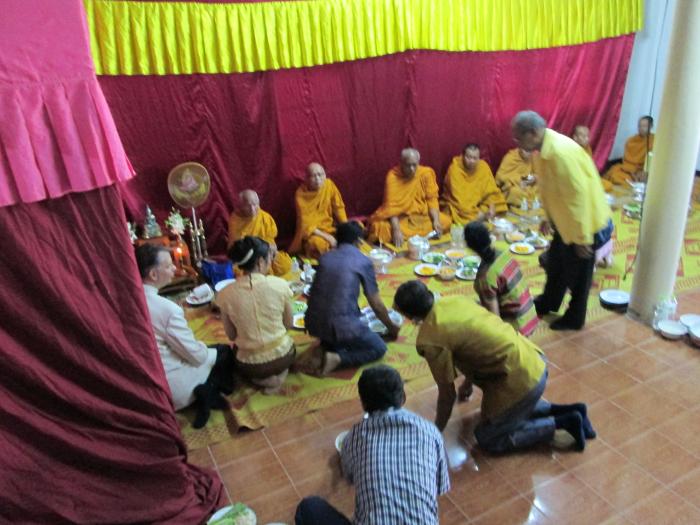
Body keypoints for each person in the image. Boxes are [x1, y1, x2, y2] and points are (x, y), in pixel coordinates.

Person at [393, 280, 596, 454]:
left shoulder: (430, 338)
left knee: (488, 437)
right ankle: (573, 411)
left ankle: (563, 423)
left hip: (519, 380)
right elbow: (476, 344)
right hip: (533, 361)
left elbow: (447, 395)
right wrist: (468, 383)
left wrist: (435, 432)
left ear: (412, 316)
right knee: (512, 415)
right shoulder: (455, 300)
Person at [295, 365, 450, 525]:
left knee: (309, 508)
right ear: (403, 397)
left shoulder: (354, 438)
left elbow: (349, 476)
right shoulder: (430, 431)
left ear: (363, 404)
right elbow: (440, 486)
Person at [512, 110, 612, 330]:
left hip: (585, 223)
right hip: (565, 221)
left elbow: (580, 197)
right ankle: (549, 302)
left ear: (533, 132)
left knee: (580, 275)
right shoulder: (542, 150)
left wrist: (583, 238)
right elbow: (550, 186)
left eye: (519, 137)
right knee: (556, 264)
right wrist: (549, 217)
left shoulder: (560, 152)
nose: (517, 142)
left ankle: (575, 318)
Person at [136, 244, 234, 428]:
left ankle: (205, 391)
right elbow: (196, 356)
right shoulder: (166, 309)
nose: (174, 268)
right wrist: (208, 351)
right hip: (170, 387)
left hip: (142, 384)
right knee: (224, 352)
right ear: (153, 275)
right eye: (168, 265)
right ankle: (207, 393)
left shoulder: (128, 298)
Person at [304, 222, 400, 375]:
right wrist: (391, 326)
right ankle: (338, 359)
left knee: (340, 332)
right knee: (379, 348)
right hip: (341, 325)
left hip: (313, 323)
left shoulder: (325, 258)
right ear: (359, 242)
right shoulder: (363, 261)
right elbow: (376, 304)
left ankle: (327, 347)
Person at [218, 236, 295, 394]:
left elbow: (231, 336)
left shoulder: (224, 295)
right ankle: (279, 377)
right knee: (292, 348)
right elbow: (289, 324)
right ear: (260, 262)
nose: (271, 261)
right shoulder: (280, 285)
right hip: (283, 356)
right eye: (269, 258)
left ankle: (261, 380)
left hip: (249, 366)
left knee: (233, 356)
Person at [464, 221, 539, 337]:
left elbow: (495, 319)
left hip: (517, 330)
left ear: (469, 245)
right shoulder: (503, 254)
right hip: (530, 317)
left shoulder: (485, 278)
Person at [368, 148, 452, 247]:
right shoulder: (393, 176)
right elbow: (391, 208)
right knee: (381, 229)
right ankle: (416, 235)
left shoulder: (425, 173)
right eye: (408, 165)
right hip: (402, 219)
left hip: (422, 217)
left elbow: (432, 199)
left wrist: (436, 220)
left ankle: (411, 236)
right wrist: (396, 229)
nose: (412, 168)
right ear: (401, 163)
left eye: (414, 165)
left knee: (446, 222)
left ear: (418, 163)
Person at [289, 163, 348, 259]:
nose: (317, 179)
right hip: (313, 233)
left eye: (320, 174)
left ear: (325, 175)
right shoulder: (301, 194)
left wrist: (346, 228)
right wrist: (327, 237)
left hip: (329, 227)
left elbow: (339, 208)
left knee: (356, 229)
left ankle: (336, 252)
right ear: (306, 178)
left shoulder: (329, 185)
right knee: (317, 244)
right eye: (313, 176)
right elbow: (306, 224)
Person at [227, 189, 293, 276]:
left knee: (286, 264)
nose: (252, 209)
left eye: (255, 204)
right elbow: (238, 248)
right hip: (247, 258)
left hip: (266, 254)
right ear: (241, 206)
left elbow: (271, 243)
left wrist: (270, 253)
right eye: (248, 206)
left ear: (259, 203)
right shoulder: (235, 220)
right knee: (240, 272)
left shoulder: (265, 217)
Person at [440, 143, 507, 224]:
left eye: (475, 158)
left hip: (478, 205)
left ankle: (480, 216)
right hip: (459, 206)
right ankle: (480, 217)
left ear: (479, 158)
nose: (472, 161)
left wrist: (492, 205)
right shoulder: (455, 169)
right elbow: (459, 200)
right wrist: (479, 213)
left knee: (499, 203)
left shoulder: (483, 167)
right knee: (462, 210)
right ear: (462, 156)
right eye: (468, 157)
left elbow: (491, 191)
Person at [604, 115, 655, 185]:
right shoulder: (631, 140)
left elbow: (652, 161)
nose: (641, 128)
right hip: (627, 169)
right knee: (614, 174)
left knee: (636, 179)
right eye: (639, 126)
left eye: (644, 126)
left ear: (651, 126)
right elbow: (626, 160)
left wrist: (643, 171)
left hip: (641, 171)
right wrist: (631, 170)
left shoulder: (654, 141)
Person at [572, 125, 613, 193]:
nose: (586, 139)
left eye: (587, 136)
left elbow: (589, 165)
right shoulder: (572, 149)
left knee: (608, 184)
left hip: (587, 176)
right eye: (583, 136)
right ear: (575, 137)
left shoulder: (588, 149)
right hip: (576, 178)